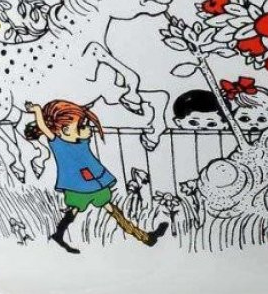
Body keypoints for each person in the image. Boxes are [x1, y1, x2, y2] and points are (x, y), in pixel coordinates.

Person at [24, 100, 168, 254]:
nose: (86, 128)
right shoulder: (58, 144)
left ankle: (145, 237)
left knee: (108, 209)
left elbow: (82, 134)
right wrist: (37, 110)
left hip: (94, 184)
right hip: (77, 187)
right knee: (80, 210)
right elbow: (44, 128)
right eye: (80, 126)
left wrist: (84, 120)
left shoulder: (81, 141)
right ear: (66, 130)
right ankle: (59, 235)